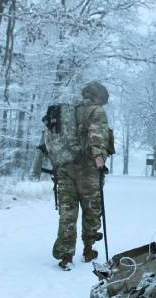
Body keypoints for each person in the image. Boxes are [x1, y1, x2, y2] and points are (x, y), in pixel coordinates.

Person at [52, 81, 111, 270]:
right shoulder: (96, 111)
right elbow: (97, 135)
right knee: (91, 209)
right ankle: (88, 249)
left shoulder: (68, 110)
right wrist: (99, 158)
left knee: (68, 213)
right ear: (99, 96)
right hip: (88, 169)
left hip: (64, 168)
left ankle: (66, 255)